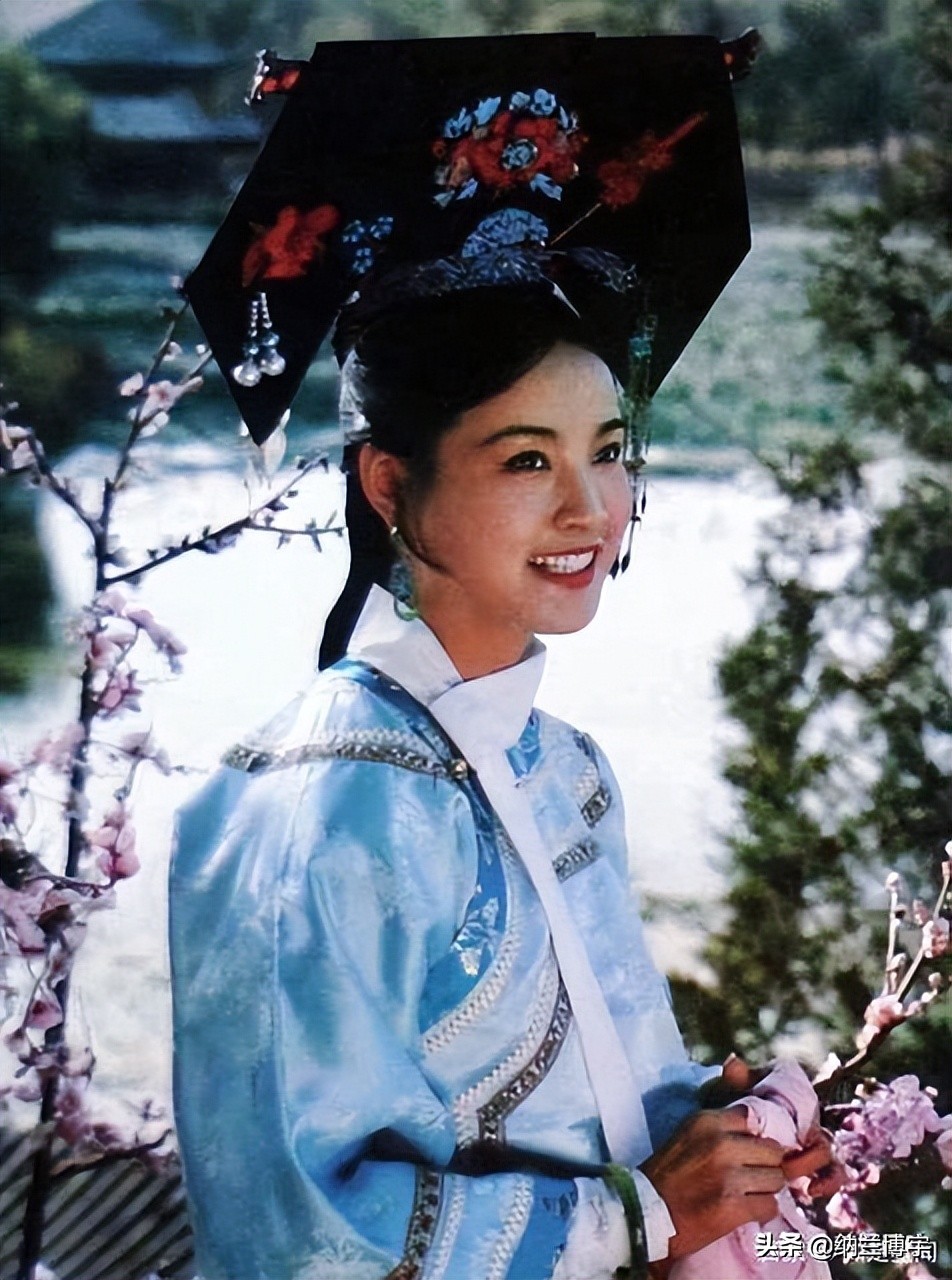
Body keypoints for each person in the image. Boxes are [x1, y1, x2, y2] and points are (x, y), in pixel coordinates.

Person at [170, 31, 836, 1280]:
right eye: (526, 457)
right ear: (387, 483)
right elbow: (289, 1233)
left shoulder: (565, 770)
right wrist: (638, 1215)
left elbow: (589, 1105)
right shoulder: (317, 807)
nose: (590, 506)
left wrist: (717, 1137)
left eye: (610, 450)